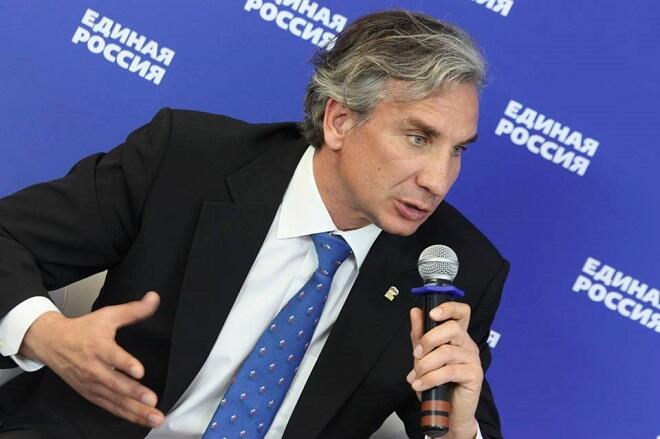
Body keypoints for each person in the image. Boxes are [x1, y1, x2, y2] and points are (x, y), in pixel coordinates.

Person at [0, 9, 509, 439]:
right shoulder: (184, 161)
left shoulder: (455, 268)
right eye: (418, 138)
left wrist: (461, 429)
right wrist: (44, 334)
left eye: (458, 149)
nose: (438, 179)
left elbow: (461, 418)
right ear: (340, 121)